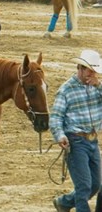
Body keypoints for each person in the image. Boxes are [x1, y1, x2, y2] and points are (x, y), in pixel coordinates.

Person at [50, 49, 102, 212]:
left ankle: (64, 203)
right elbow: (56, 117)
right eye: (89, 70)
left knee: (95, 184)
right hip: (76, 141)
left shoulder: (96, 86)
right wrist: (60, 135)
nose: (93, 74)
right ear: (80, 68)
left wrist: (99, 86)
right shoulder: (66, 89)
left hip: (93, 141)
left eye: (94, 71)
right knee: (84, 186)